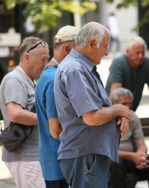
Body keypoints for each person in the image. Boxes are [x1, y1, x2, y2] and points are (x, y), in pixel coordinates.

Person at [53, 22, 131, 188]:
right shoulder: (75, 69)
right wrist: (120, 109)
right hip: (85, 156)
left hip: (88, 155)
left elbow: (99, 109)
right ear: (92, 43)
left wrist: (120, 114)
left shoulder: (81, 68)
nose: (106, 52)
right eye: (105, 46)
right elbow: (92, 117)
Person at [0, 36, 49, 188]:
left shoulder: (27, 80)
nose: (45, 64)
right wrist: (49, 119)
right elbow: (15, 114)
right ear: (27, 57)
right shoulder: (14, 79)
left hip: (32, 157)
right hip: (25, 157)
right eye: (42, 59)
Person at [35, 25, 79, 188]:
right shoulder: (54, 79)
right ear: (67, 49)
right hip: (60, 163)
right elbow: (56, 130)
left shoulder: (48, 74)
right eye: (78, 51)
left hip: (53, 160)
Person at [105, 36, 149, 119]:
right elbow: (116, 90)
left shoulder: (146, 63)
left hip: (129, 113)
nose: (141, 56)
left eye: (143, 53)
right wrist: (116, 115)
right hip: (114, 113)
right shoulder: (118, 63)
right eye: (137, 53)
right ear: (128, 52)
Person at [108, 87, 149, 188]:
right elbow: (107, 151)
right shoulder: (106, 118)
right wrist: (133, 156)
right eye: (124, 104)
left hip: (130, 159)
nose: (127, 107)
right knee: (116, 163)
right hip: (110, 159)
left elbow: (141, 144)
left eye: (130, 104)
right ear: (113, 103)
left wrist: (140, 156)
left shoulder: (132, 116)